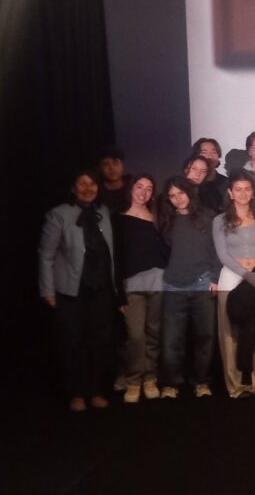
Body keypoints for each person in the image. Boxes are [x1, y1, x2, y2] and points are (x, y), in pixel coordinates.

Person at [38, 168, 116, 411]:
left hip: (101, 288)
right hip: (71, 290)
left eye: (92, 184)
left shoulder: (104, 212)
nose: (87, 189)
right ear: (73, 188)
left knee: (100, 342)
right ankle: (77, 393)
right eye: (82, 184)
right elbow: (46, 255)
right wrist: (47, 290)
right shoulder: (58, 214)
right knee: (73, 342)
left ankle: (95, 391)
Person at [213, 172, 255, 396]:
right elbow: (223, 255)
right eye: (238, 189)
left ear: (253, 192)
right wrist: (248, 276)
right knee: (230, 336)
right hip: (231, 280)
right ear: (230, 193)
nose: (243, 193)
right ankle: (236, 385)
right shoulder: (220, 221)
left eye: (247, 189)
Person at [158, 176, 219, 399]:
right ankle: (171, 383)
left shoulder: (208, 216)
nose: (177, 199)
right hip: (173, 285)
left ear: (189, 192)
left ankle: (201, 382)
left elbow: (218, 249)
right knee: (172, 339)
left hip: (203, 282)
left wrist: (215, 277)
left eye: (180, 193)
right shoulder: (166, 220)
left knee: (205, 336)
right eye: (172, 196)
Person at [115, 174, 167, 403]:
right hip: (131, 285)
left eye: (149, 188)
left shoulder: (157, 218)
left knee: (154, 333)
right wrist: (118, 293)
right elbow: (115, 258)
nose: (143, 192)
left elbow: (165, 250)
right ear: (131, 188)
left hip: (158, 281)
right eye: (139, 186)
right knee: (135, 335)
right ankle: (134, 380)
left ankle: (150, 378)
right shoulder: (118, 219)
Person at [191, 137, 229, 213]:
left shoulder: (227, 183)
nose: (209, 156)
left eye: (213, 152)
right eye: (204, 152)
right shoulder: (189, 184)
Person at [97, 146, 131, 214]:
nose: (111, 168)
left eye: (115, 163)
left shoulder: (133, 185)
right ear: (100, 168)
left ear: (122, 165)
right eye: (106, 164)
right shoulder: (96, 192)